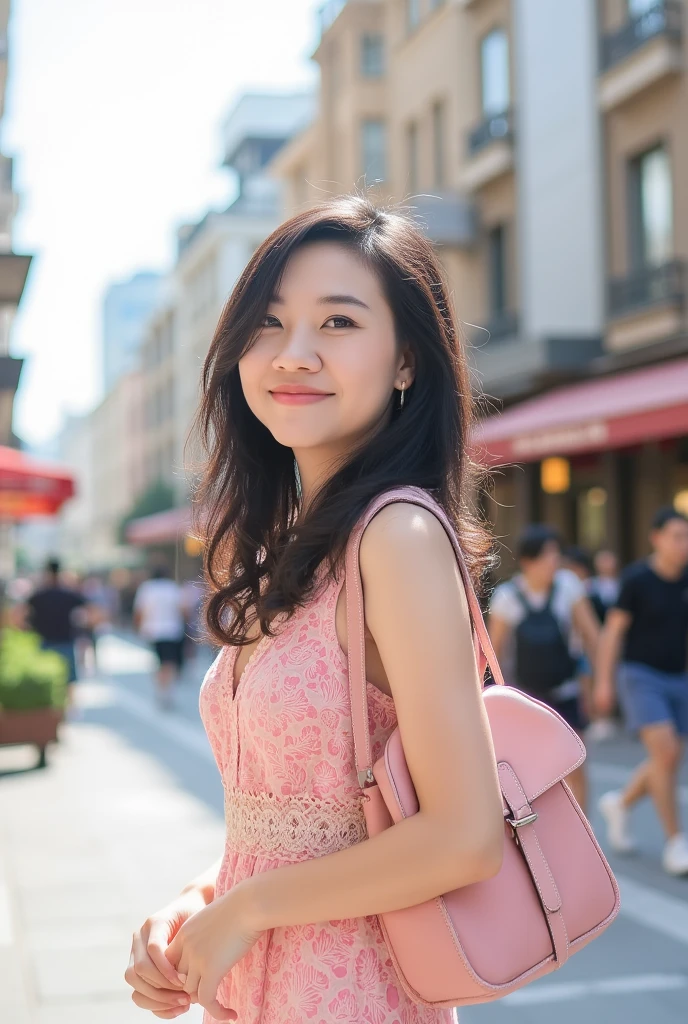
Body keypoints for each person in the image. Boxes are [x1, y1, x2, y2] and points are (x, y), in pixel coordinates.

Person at [124, 197, 504, 1023]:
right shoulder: (297, 546)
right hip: (265, 989)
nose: (293, 355)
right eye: (268, 324)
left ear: (406, 361)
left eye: (337, 322)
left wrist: (246, 909)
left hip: (355, 993)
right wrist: (197, 903)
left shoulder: (396, 536)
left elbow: (466, 834)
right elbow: (293, 823)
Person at [596, 507, 688, 876]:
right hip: (640, 676)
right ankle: (675, 841)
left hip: (679, 676)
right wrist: (604, 682)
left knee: (667, 758)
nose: (684, 545)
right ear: (657, 539)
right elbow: (613, 633)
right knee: (666, 752)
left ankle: (621, 802)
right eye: (677, 537)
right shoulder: (636, 580)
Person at [488, 525, 600, 811]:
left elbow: (591, 635)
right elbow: (495, 650)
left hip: (566, 689)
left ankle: (584, 832)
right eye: (546, 556)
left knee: (575, 761)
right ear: (527, 561)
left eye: (556, 555)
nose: (553, 562)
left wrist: (598, 683)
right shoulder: (507, 596)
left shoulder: (568, 586)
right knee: (531, 770)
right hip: (526, 695)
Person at [25, 558, 87, 707]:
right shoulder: (69, 594)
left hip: (44, 641)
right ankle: (69, 710)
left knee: (46, 678)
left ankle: (52, 707)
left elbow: (20, 616)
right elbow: (92, 613)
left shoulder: (38, 595)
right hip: (65, 640)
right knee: (69, 679)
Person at [133, 565, 187, 709]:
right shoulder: (173, 588)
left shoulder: (147, 588)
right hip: (171, 629)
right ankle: (167, 690)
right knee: (169, 662)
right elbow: (183, 609)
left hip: (152, 630)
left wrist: (138, 627)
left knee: (159, 662)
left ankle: (161, 689)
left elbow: (139, 611)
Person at [588, 549, 620, 624]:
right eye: (603, 561)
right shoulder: (589, 584)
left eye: (608, 560)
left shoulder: (622, 584)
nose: (606, 564)